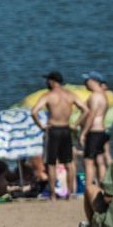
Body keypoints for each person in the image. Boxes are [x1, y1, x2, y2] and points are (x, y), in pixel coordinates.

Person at [30, 71, 88, 200]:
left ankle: (52, 194)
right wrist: (76, 124)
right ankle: (70, 193)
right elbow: (85, 110)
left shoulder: (48, 95)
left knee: (51, 163)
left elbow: (33, 112)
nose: (46, 83)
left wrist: (41, 126)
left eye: (47, 80)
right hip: (66, 129)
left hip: (53, 129)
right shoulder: (70, 95)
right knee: (69, 162)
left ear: (52, 81)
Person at [78, 72, 110, 186]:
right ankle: (103, 185)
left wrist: (83, 133)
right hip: (102, 131)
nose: (84, 83)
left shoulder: (95, 96)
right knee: (100, 160)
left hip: (94, 131)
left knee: (88, 161)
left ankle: (89, 187)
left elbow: (92, 115)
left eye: (86, 80)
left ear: (93, 81)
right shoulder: (104, 96)